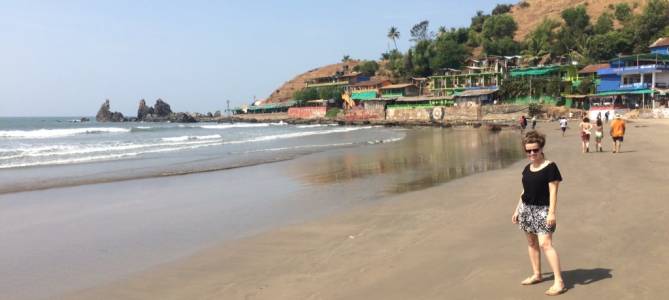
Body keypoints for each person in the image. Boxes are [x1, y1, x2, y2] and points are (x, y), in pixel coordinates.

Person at [512, 131, 566, 296]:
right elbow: (524, 191)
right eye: (528, 151)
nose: (532, 154)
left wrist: (551, 213)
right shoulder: (527, 168)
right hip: (527, 209)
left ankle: (559, 282)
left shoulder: (550, 167)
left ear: (541, 148)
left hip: (543, 210)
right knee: (531, 243)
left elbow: (553, 192)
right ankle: (537, 274)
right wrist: (517, 209)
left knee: (545, 244)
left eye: (535, 150)